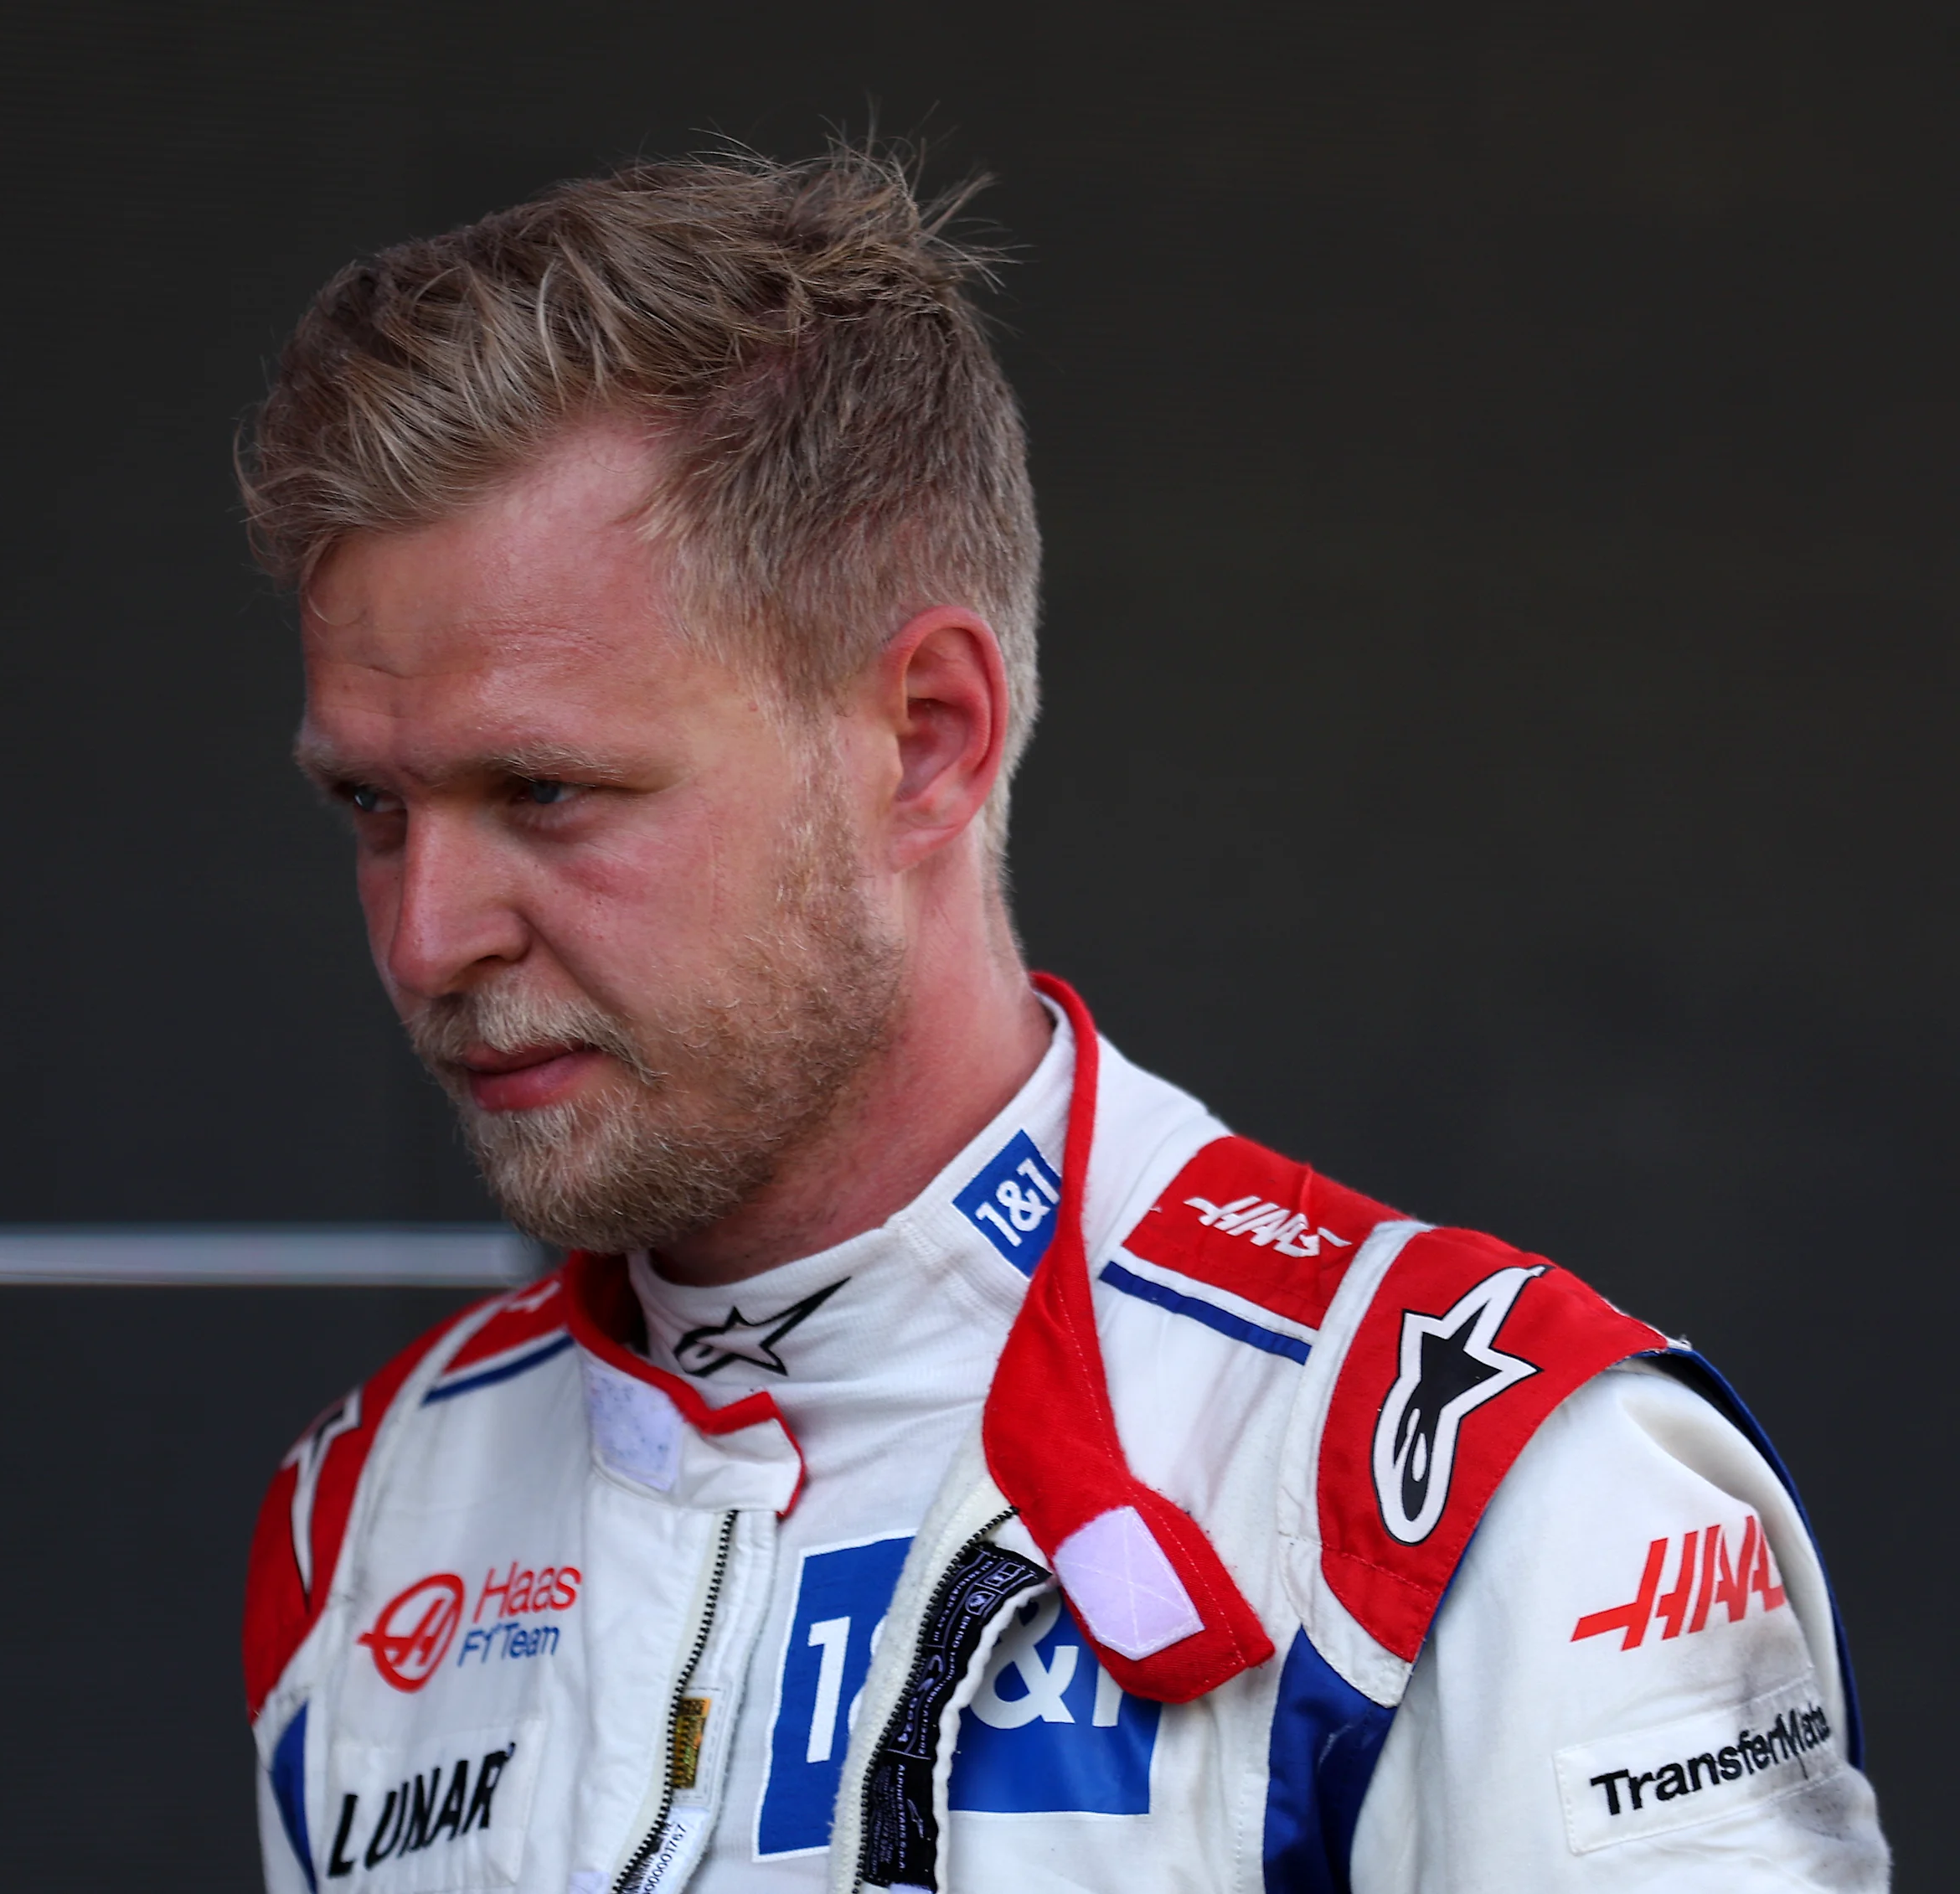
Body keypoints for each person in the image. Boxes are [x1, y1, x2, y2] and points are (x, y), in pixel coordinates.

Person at [234, 148, 1888, 1894]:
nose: (430, 933)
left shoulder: (1474, 1491)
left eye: (550, 788)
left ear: (928, 738)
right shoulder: (371, 1518)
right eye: (372, 809)